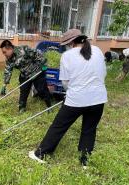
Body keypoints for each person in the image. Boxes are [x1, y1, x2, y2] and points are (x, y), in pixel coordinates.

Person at [29, 29, 108, 168]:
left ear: (71, 42)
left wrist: (70, 92)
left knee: (58, 126)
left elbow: (65, 82)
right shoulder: (98, 50)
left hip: (76, 99)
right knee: (89, 129)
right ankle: (85, 161)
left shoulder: (67, 55)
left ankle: (40, 154)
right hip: (98, 99)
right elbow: (103, 74)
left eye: (66, 43)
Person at [0, 40, 51, 113]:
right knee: (23, 91)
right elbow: (8, 71)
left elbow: (39, 55)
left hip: (37, 72)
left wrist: (43, 66)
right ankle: (22, 108)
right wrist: (4, 85)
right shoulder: (9, 59)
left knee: (42, 89)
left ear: (10, 48)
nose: (4, 54)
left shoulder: (24, 49)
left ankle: (49, 106)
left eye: (4, 52)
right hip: (25, 75)